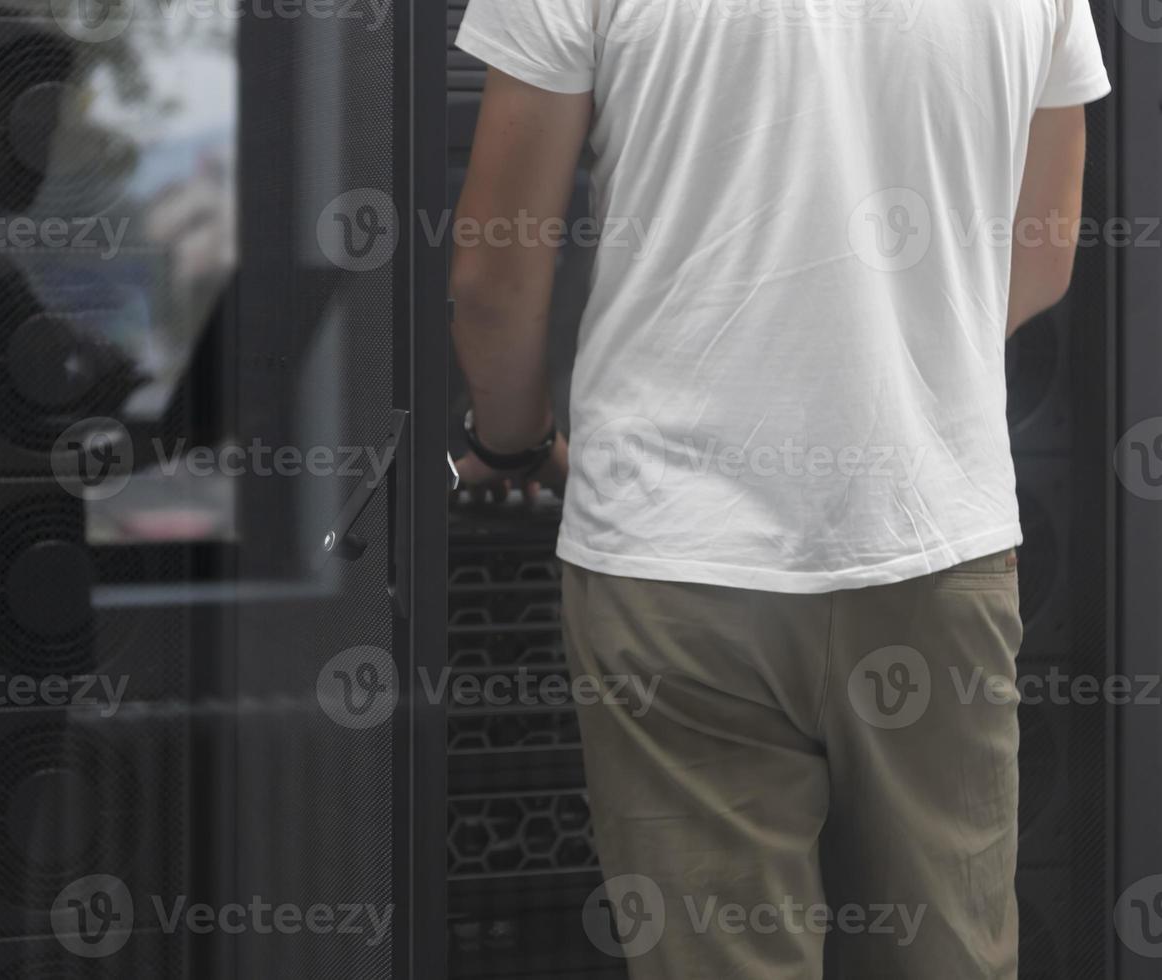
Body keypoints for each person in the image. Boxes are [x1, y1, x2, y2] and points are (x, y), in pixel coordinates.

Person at [448, 1, 1110, 976]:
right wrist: (902, 359)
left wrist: (513, 445)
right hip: (933, 539)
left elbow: (495, 277)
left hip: (677, 554)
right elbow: (1045, 250)